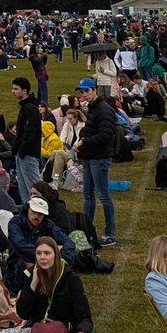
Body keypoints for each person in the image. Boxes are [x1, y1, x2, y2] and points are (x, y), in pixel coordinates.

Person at [0, 236, 95, 333]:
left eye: (47, 253)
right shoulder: (32, 274)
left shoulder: (71, 278)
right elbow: (23, 313)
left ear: (56, 255)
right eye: (39, 253)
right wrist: (33, 284)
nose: (42, 257)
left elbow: (83, 314)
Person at [72, 78, 116, 247]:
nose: (83, 95)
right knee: (88, 194)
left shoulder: (103, 109)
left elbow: (106, 135)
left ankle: (109, 232)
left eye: (86, 91)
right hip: (89, 156)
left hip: (99, 157)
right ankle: (86, 230)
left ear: (94, 90)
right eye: (81, 92)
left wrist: (84, 141)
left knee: (103, 195)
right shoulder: (92, 108)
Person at [4, 197, 75, 292]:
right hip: (19, 267)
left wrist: (57, 259)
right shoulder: (15, 223)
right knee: (26, 262)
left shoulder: (49, 225)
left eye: (40, 214)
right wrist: (49, 252)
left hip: (46, 264)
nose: (36, 216)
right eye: (34, 212)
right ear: (27, 209)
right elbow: (20, 246)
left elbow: (69, 243)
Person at [11, 77, 42, 201]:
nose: (13, 91)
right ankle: (26, 214)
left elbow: (31, 132)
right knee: (23, 189)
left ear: (25, 91)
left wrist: (22, 150)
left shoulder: (30, 108)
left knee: (34, 189)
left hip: (28, 154)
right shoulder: (25, 106)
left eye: (16, 89)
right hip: (22, 153)